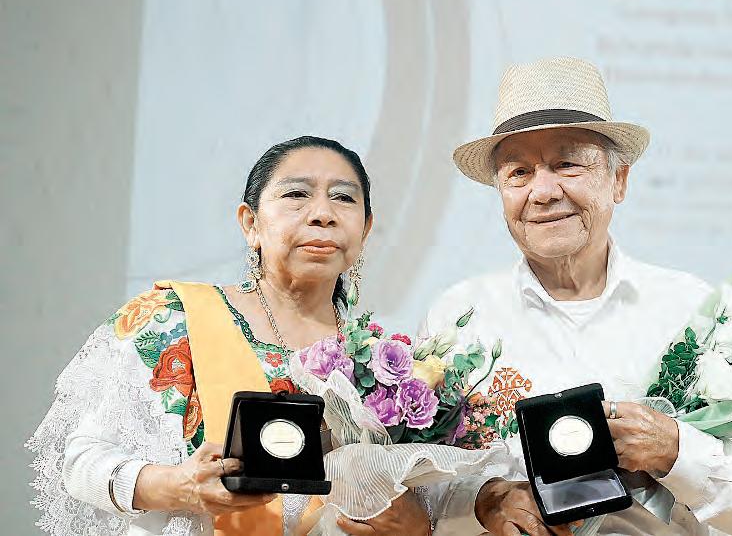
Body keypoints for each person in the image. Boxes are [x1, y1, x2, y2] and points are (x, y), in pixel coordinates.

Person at [421, 57, 732, 536]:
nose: (543, 191)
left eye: (567, 164)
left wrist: (676, 451)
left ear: (619, 180)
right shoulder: (458, 316)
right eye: (519, 172)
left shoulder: (695, 312)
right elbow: (418, 485)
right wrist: (485, 497)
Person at [27, 136, 430, 536]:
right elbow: (81, 461)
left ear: (365, 228)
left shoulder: (390, 368)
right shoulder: (173, 319)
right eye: (296, 194)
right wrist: (178, 486)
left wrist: (415, 526)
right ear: (250, 223)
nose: (323, 214)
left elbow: (425, 501)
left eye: (343, 198)